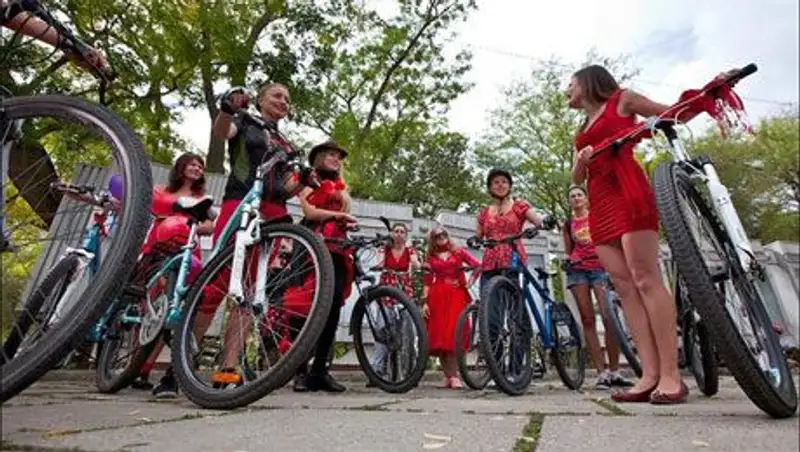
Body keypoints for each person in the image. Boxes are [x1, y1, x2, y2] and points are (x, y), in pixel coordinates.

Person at [567, 64, 687, 404]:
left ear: (588, 82)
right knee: (624, 287)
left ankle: (671, 376)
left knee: (645, 277)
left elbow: (672, 114)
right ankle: (649, 374)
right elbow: (577, 178)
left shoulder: (623, 100)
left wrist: (710, 91)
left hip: (628, 191)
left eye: (571, 84)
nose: (567, 91)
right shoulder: (581, 128)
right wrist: (582, 159)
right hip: (600, 204)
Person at [197, 82, 306, 387]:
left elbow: (287, 188)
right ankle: (180, 361)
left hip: (273, 212)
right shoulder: (245, 121)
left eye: (287, 99)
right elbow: (223, 132)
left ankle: (228, 368)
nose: (283, 101)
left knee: (250, 288)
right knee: (217, 281)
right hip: (241, 201)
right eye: (277, 95)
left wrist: (306, 179)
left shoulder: (286, 143)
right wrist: (227, 109)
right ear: (260, 100)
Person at [130, 153, 214, 398]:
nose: (197, 168)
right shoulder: (160, 191)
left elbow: (210, 226)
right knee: (149, 307)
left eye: (200, 166)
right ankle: (136, 367)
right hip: (157, 249)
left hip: (185, 254)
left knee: (171, 309)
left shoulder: (201, 200)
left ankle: (153, 369)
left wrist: (187, 224)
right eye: (192, 164)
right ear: (180, 167)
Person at [293, 139, 356, 393]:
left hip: (338, 247)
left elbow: (341, 214)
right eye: (330, 154)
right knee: (305, 305)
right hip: (312, 244)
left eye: (338, 156)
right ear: (318, 158)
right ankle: (298, 370)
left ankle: (320, 371)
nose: (335, 159)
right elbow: (309, 212)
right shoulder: (308, 180)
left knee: (332, 308)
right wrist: (338, 215)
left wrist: (345, 221)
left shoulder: (341, 187)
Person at [563, 184, 632, 390]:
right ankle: (601, 373)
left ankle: (615, 370)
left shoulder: (597, 218)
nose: (576, 198)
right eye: (572, 196)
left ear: (586, 199)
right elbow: (568, 250)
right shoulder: (568, 225)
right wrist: (567, 259)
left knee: (609, 317)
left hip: (600, 268)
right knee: (587, 320)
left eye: (579, 195)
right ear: (569, 202)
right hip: (578, 270)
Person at [421, 227, 481, 389]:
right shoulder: (430, 258)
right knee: (440, 338)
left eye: (443, 234)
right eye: (437, 236)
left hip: (456, 296)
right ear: (432, 239)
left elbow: (477, 266)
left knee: (454, 334)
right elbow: (427, 281)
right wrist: (424, 302)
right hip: (437, 297)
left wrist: (468, 283)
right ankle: (448, 376)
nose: (441, 237)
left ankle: (455, 376)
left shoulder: (458, 252)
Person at [367, 223, 421, 386]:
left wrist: (419, 264)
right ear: (391, 233)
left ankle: (410, 372)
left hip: (404, 290)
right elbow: (380, 263)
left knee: (408, 330)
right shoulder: (385, 249)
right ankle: (377, 371)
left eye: (402, 232)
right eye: (396, 231)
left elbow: (416, 263)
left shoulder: (410, 250)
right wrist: (379, 262)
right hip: (387, 290)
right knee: (383, 329)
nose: (399, 234)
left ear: (406, 235)